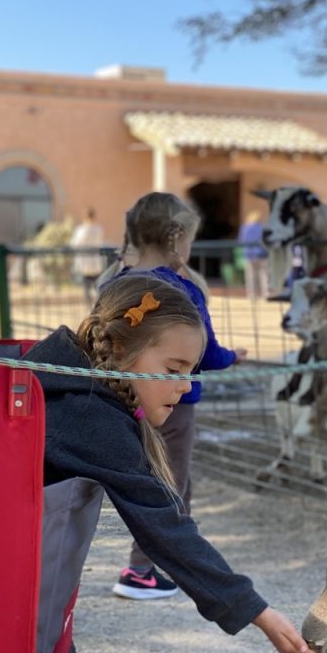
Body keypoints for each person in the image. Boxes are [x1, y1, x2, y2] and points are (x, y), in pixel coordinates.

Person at [23, 275, 319, 653]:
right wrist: (258, 612)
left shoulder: (80, 391)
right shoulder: (91, 417)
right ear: (118, 349)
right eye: (173, 370)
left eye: (191, 372)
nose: (184, 386)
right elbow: (165, 529)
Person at [101, 192, 248, 600]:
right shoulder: (182, 290)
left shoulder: (115, 284)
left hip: (123, 400)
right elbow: (203, 353)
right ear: (176, 237)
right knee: (172, 486)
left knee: (148, 481)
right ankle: (142, 571)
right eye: (189, 241)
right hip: (173, 406)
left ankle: (149, 566)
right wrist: (233, 357)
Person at [70, 207, 105, 304]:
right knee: (97, 285)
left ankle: (89, 305)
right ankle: (99, 304)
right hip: (94, 261)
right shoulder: (98, 229)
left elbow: (75, 243)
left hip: (85, 261)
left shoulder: (82, 230)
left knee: (87, 286)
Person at [237, 210, 269, 301]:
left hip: (249, 254)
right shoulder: (263, 228)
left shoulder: (245, 228)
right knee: (264, 275)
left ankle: (251, 296)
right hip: (262, 254)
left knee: (250, 276)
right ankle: (265, 294)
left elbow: (241, 241)